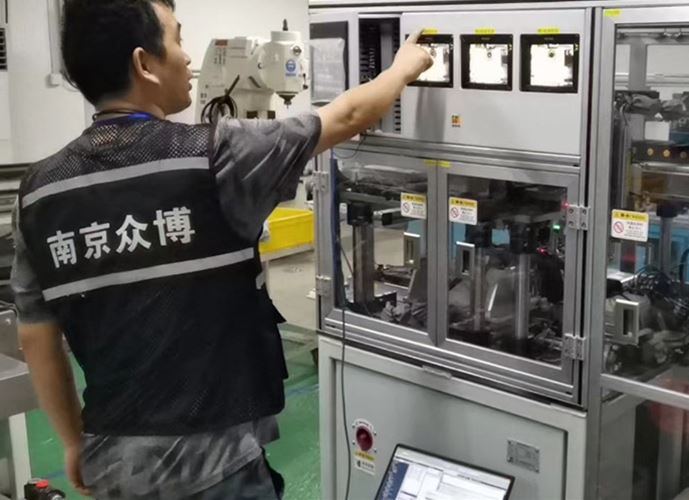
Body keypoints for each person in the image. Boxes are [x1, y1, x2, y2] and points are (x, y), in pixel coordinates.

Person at [11, 0, 432, 498]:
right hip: (219, 466)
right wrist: (405, 67)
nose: (189, 57)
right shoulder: (216, 155)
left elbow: (37, 337)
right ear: (144, 63)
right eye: (177, 39)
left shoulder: (38, 191)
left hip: (116, 464)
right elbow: (351, 114)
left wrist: (71, 441)